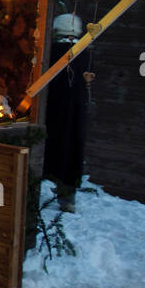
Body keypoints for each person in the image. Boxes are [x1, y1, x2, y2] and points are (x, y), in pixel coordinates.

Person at [43, 12, 90, 212]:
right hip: (75, 112)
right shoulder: (85, 52)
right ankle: (67, 197)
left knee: (49, 149)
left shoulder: (52, 50)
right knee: (70, 151)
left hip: (52, 110)